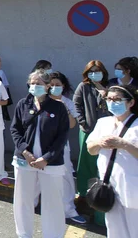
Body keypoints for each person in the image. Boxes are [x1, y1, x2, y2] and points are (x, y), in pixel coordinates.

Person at [11, 70, 69, 238]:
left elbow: (62, 136)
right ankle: (23, 234)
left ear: (47, 86)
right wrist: (25, 152)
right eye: (32, 83)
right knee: (23, 200)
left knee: (53, 202)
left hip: (50, 163)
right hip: (24, 161)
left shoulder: (58, 107)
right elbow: (15, 129)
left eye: (39, 83)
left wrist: (46, 158)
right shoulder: (23, 104)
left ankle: (53, 235)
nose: (34, 86)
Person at [87, 85, 138, 238]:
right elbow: (91, 149)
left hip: (132, 185)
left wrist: (125, 145)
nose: (112, 102)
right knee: (114, 229)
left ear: (130, 103)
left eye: (117, 99)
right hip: (109, 185)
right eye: (109, 99)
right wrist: (99, 143)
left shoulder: (136, 125)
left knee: (134, 227)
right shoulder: (103, 122)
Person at [47, 71, 86, 224]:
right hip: (40, 145)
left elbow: (71, 125)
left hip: (61, 145)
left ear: (63, 86)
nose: (55, 88)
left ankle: (69, 209)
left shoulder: (67, 102)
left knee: (66, 175)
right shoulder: (41, 100)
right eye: (52, 85)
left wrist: (65, 110)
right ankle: (41, 205)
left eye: (58, 85)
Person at [74, 60, 109, 225]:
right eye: (92, 71)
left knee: (101, 163)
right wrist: (83, 123)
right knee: (85, 160)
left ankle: (99, 191)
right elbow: (77, 104)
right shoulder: (83, 86)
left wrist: (105, 94)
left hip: (105, 133)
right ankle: (83, 192)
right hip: (87, 131)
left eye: (98, 71)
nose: (95, 74)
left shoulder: (108, 87)